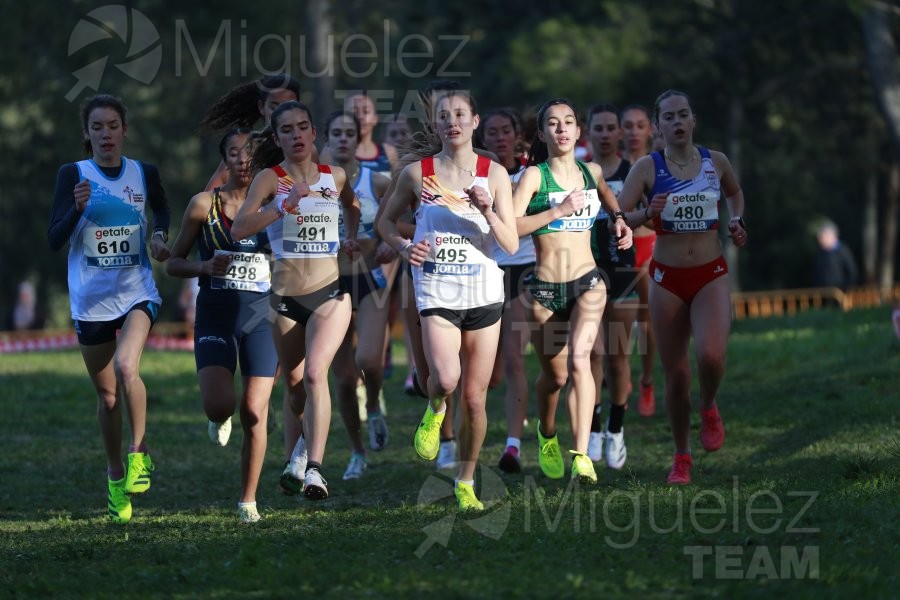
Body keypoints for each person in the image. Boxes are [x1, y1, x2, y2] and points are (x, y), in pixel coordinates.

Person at [379, 89, 519, 511]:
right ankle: (435, 407)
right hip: (436, 287)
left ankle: (465, 479)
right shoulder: (416, 174)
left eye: (460, 114)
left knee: (476, 398)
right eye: (444, 116)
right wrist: (406, 249)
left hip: (483, 291)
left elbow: (510, 244)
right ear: (435, 126)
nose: (452, 121)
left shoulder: (492, 173)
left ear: (475, 121)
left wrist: (490, 210)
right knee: (443, 379)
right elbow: (385, 223)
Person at [48, 94, 171, 523]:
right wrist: (77, 210)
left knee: (126, 367)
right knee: (107, 396)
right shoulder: (74, 175)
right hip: (91, 301)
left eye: (113, 125)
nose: (106, 134)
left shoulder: (142, 172)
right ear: (88, 134)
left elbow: (161, 206)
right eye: (97, 127)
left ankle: (140, 454)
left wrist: (160, 234)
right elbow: (54, 238)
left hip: (137, 291)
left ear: (124, 130)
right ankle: (116, 472)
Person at [231, 100, 361, 501]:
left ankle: (315, 471)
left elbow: (352, 206)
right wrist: (277, 208)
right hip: (285, 297)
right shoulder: (270, 179)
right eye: (287, 130)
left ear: (314, 133)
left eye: (303, 127)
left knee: (315, 374)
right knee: (294, 387)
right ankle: (302, 450)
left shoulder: (334, 176)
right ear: (277, 138)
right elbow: (238, 229)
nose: (297, 135)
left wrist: (350, 239)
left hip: (330, 293)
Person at [617, 89, 747, 485]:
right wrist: (647, 212)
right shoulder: (647, 167)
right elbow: (623, 215)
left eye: (683, 115)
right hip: (667, 279)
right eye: (669, 117)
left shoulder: (715, 161)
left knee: (710, 356)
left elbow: (735, 194)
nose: (677, 122)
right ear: (658, 126)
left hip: (710, 273)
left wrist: (737, 221)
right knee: (676, 377)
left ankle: (709, 406)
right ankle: (681, 457)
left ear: (693, 121)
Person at [512, 98, 632, 485]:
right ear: (543, 133)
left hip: (587, 280)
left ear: (578, 131)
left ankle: (582, 454)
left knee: (583, 358)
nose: (562, 129)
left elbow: (605, 191)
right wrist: (557, 211)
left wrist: (618, 219)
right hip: (545, 289)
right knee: (554, 378)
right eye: (553, 123)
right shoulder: (534, 176)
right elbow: (511, 229)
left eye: (568, 122)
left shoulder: (590, 170)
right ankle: (547, 434)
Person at [166, 128, 277, 523]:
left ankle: (248, 500)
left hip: (261, 315)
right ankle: (219, 417)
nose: (242, 160)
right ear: (224, 161)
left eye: (248, 154)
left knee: (255, 410)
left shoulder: (275, 205)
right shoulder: (203, 205)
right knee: (220, 404)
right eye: (234, 153)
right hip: (215, 310)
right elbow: (174, 261)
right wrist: (202, 266)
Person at [199, 74, 302, 488]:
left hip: (281, 284)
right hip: (226, 287)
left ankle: (295, 458)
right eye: (274, 105)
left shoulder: (298, 152)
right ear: (261, 110)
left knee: (280, 385)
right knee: (228, 401)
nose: (282, 112)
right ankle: (230, 409)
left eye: (290, 104)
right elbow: (209, 206)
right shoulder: (242, 151)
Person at [320, 110, 395, 480]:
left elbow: (405, 216)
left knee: (370, 360)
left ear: (358, 138)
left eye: (350, 132)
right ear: (327, 139)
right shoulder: (317, 182)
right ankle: (357, 451)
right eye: (337, 132)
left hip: (369, 279)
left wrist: (391, 244)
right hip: (328, 283)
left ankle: (376, 406)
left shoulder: (377, 181)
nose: (344, 139)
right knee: (345, 378)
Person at [478, 107, 535, 473]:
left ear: (517, 136)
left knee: (514, 358)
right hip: (482, 272)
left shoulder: (530, 173)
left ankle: (513, 445)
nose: (500, 138)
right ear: (482, 139)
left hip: (523, 269)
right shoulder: (473, 174)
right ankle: (453, 439)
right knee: (487, 373)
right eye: (492, 133)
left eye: (505, 131)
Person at [584, 104, 639, 470]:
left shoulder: (634, 171)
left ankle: (616, 429)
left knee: (618, 357)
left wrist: (628, 217)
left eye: (610, 128)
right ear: (587, 133)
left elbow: (644, 213)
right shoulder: (578, 172)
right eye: (598, 128)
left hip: (622, 270)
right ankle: (591, 428)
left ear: (619, 133)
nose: (604, 134)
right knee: (589, 354)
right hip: (585, 269)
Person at [199, 73, 302, 191]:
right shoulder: (244, 150)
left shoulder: (307, 150)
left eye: (288, 107)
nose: (281, 114)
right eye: (274, 108)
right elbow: (209, 200)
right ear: (261, 107)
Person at [621, 104, 659, 417]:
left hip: (648, 249)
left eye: (640, 125)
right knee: (613, 326)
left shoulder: (658, 165)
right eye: (628, 126)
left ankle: (646, 380)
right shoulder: (613, 167)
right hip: (615, 252)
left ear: (651, 130)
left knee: (646, 324)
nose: (634, 132)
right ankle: (619, 375)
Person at [815, 220, 857, 292]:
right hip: (824, 294)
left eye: (822, 236)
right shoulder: (821, 252)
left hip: (840, 293)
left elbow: (852, 273)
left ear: (832, 236)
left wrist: (846, 289)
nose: (820, 240)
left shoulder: (843, 251)